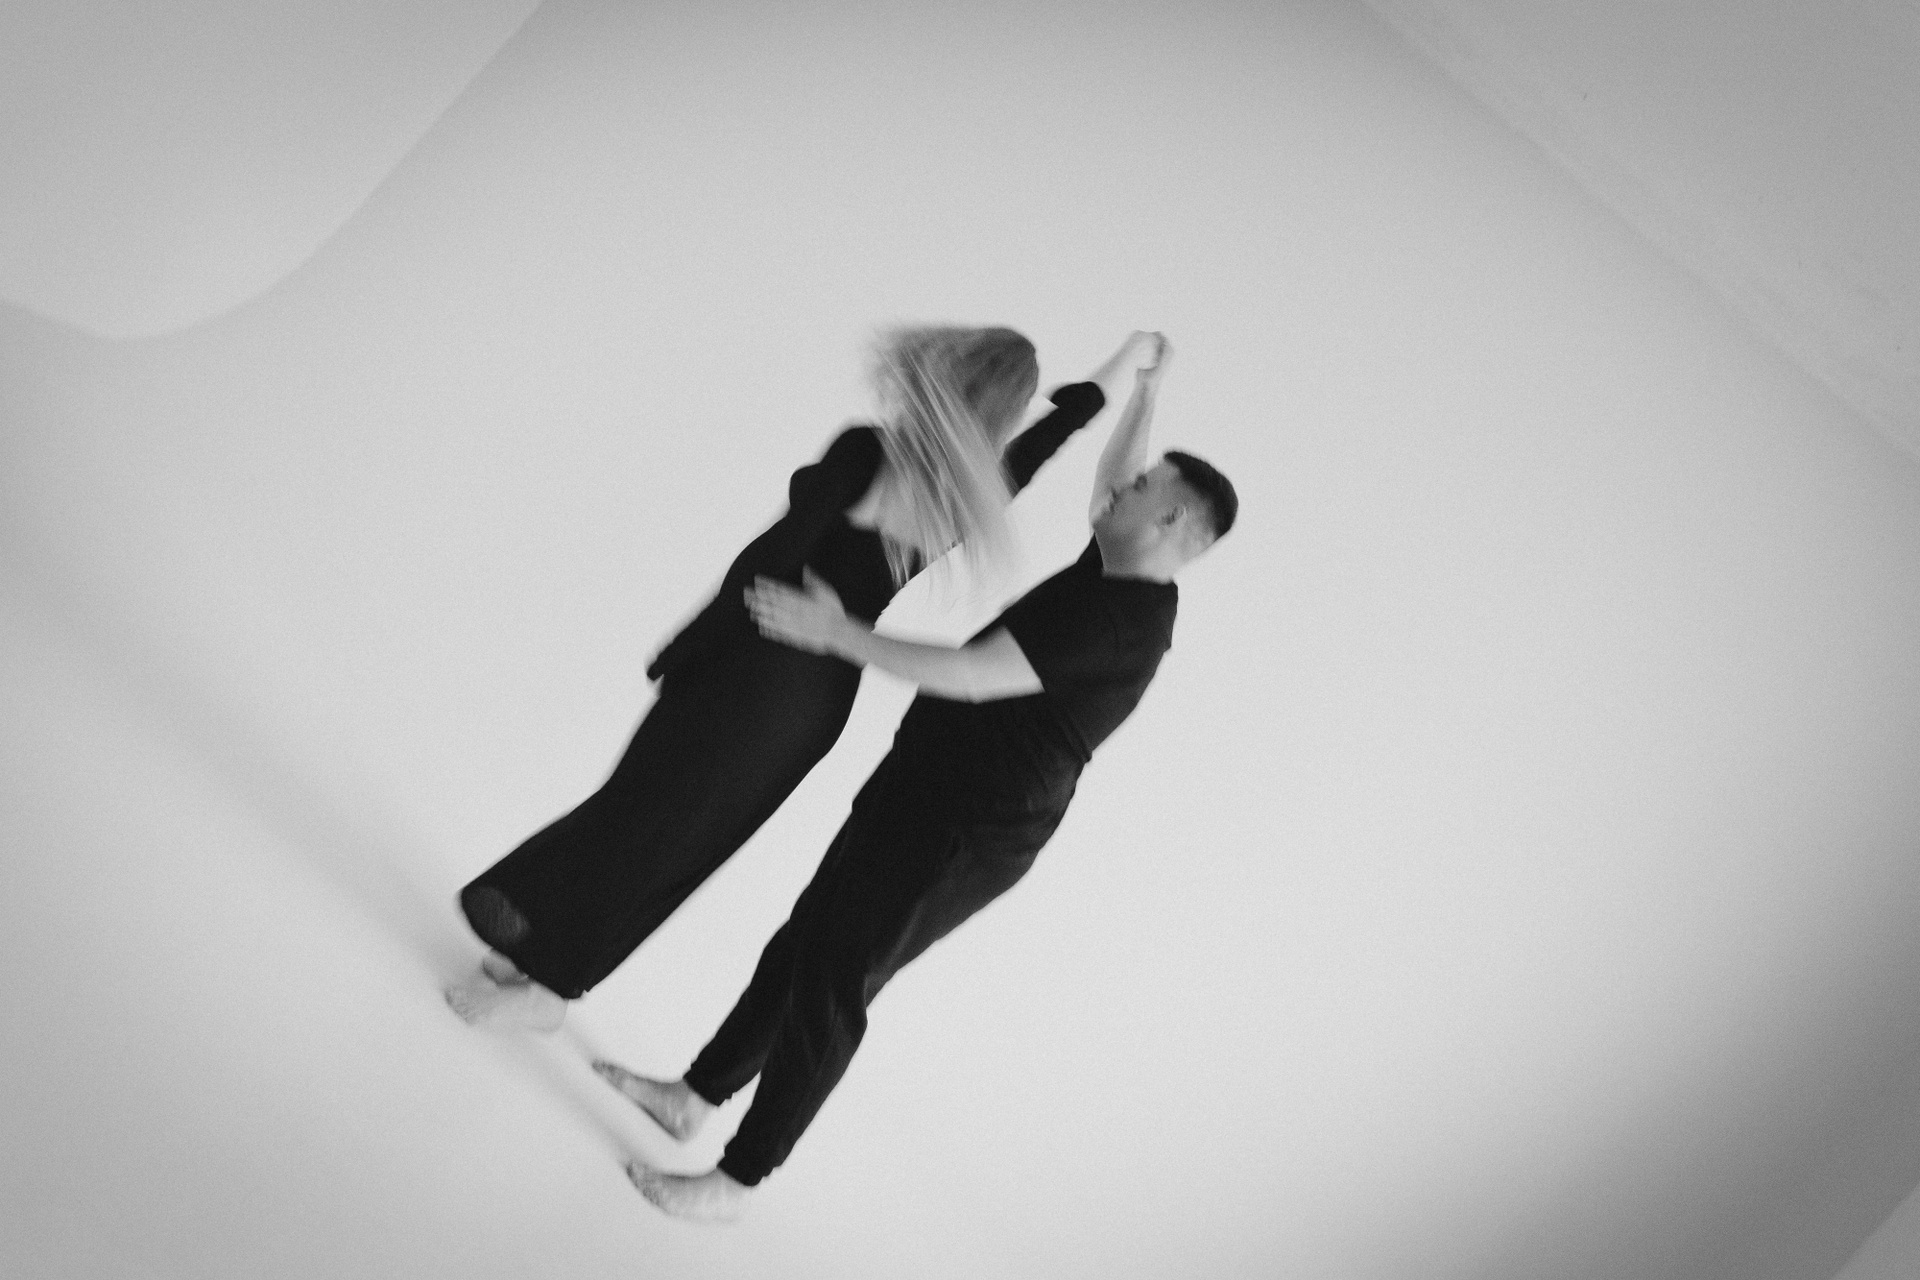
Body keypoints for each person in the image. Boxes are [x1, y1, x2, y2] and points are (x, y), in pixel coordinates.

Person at [592, 335, 1236, 1220]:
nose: (1118, 488)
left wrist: (837, 633)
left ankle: (737, 1183)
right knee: (805, 941)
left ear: (1170, 524)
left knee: (833, 984)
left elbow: (971, 675)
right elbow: (1115, 475)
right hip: (924, 784)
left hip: (965, 833)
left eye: (1142, 490)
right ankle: (692, 1097)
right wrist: (1146, 394)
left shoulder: (1121, 624)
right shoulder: (1124, 561)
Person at [446, 327, 1168, 1030]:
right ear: (1004, 415)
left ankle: (550, 983)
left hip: (756, 670)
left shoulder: (869, 452)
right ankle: (545, 966)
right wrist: (1135, 372)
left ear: (950, 371)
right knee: (680, 835)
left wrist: (687, 648)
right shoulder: (972, 494)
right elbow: (1059, 428)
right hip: (816, 700)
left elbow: (765, 560)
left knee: (641, 815)